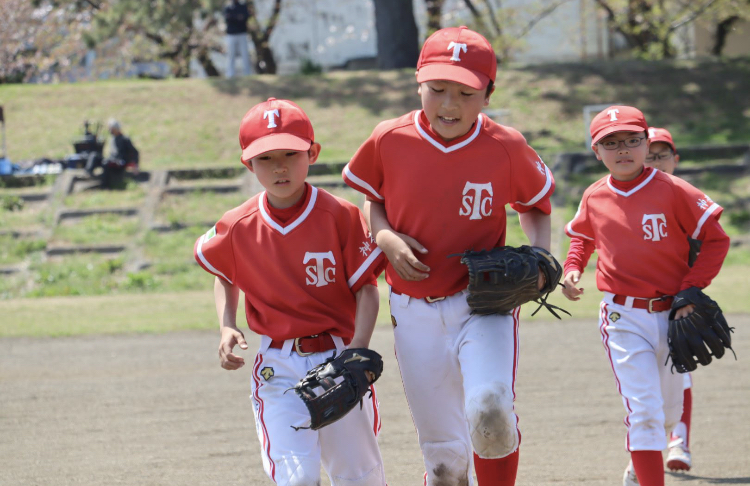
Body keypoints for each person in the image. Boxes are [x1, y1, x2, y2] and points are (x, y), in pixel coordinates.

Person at [343, 26, 555, 486]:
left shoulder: (505, 146)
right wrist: (384, 236)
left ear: (488, 94)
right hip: (412, 309)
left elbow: (535, 205)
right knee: (442, 455)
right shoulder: (390, 137)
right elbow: (373, 198)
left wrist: (540, 255)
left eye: (465, 93)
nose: (449, 104)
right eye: (437, 89)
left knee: (491, 409)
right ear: (418, 84)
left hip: (484, 303)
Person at [193, 97, 387, 486]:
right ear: (248, 163)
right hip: (277, 365)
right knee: (296, 479)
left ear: (312, 153)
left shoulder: (340, 215)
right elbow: (224, 273)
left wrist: (357, 351)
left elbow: (366, 289)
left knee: (360, 477)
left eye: (290, 154)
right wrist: (226, 324)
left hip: (337, 359)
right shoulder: (239, 224)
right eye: (265, 158)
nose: (279, 166)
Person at [561, 106, 730, 486]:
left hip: (674, 314)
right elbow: (582, 237)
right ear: (596, 151)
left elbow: (717, 239)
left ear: (646, 143)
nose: (623, 149)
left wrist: (692, 287)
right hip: (622, 316)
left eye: (632, 140)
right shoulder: (595, 195)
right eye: (611, 143)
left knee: (668, 414)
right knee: (644, 412)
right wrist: (573, 268)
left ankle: (643, 460)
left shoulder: (673, 189)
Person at [645, 126, 694, 472]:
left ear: (675, 159)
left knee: (682, 372)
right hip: (635, 306)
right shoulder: (626, 196)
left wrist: (693, 291)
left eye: (662, 155)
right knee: (644, 381)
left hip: (680, 301)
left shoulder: (686, 197)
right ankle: (645, 448)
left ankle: (678, 442)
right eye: (649, 156)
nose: (656, 162)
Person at [86, 118, 139, 189]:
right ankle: (88, 174)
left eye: (111, 129)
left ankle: (105, 186)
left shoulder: (125, 139)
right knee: (94, 155)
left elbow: (135, 152)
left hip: (120, 162)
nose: (110, 130)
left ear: (116, 129)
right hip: (111, 159)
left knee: (105, 163)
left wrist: (135, 165)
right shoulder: (112, 138)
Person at [224, 0, 252, 78]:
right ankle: (230, 74)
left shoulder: (243, 6)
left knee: (245, 54)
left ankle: (247, 73)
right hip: (231, 34)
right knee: (231, 54)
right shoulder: (228, 7)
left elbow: (245, 17)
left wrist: (234, 17)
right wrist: (237, 17)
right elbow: (227, 19)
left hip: (242, 33)